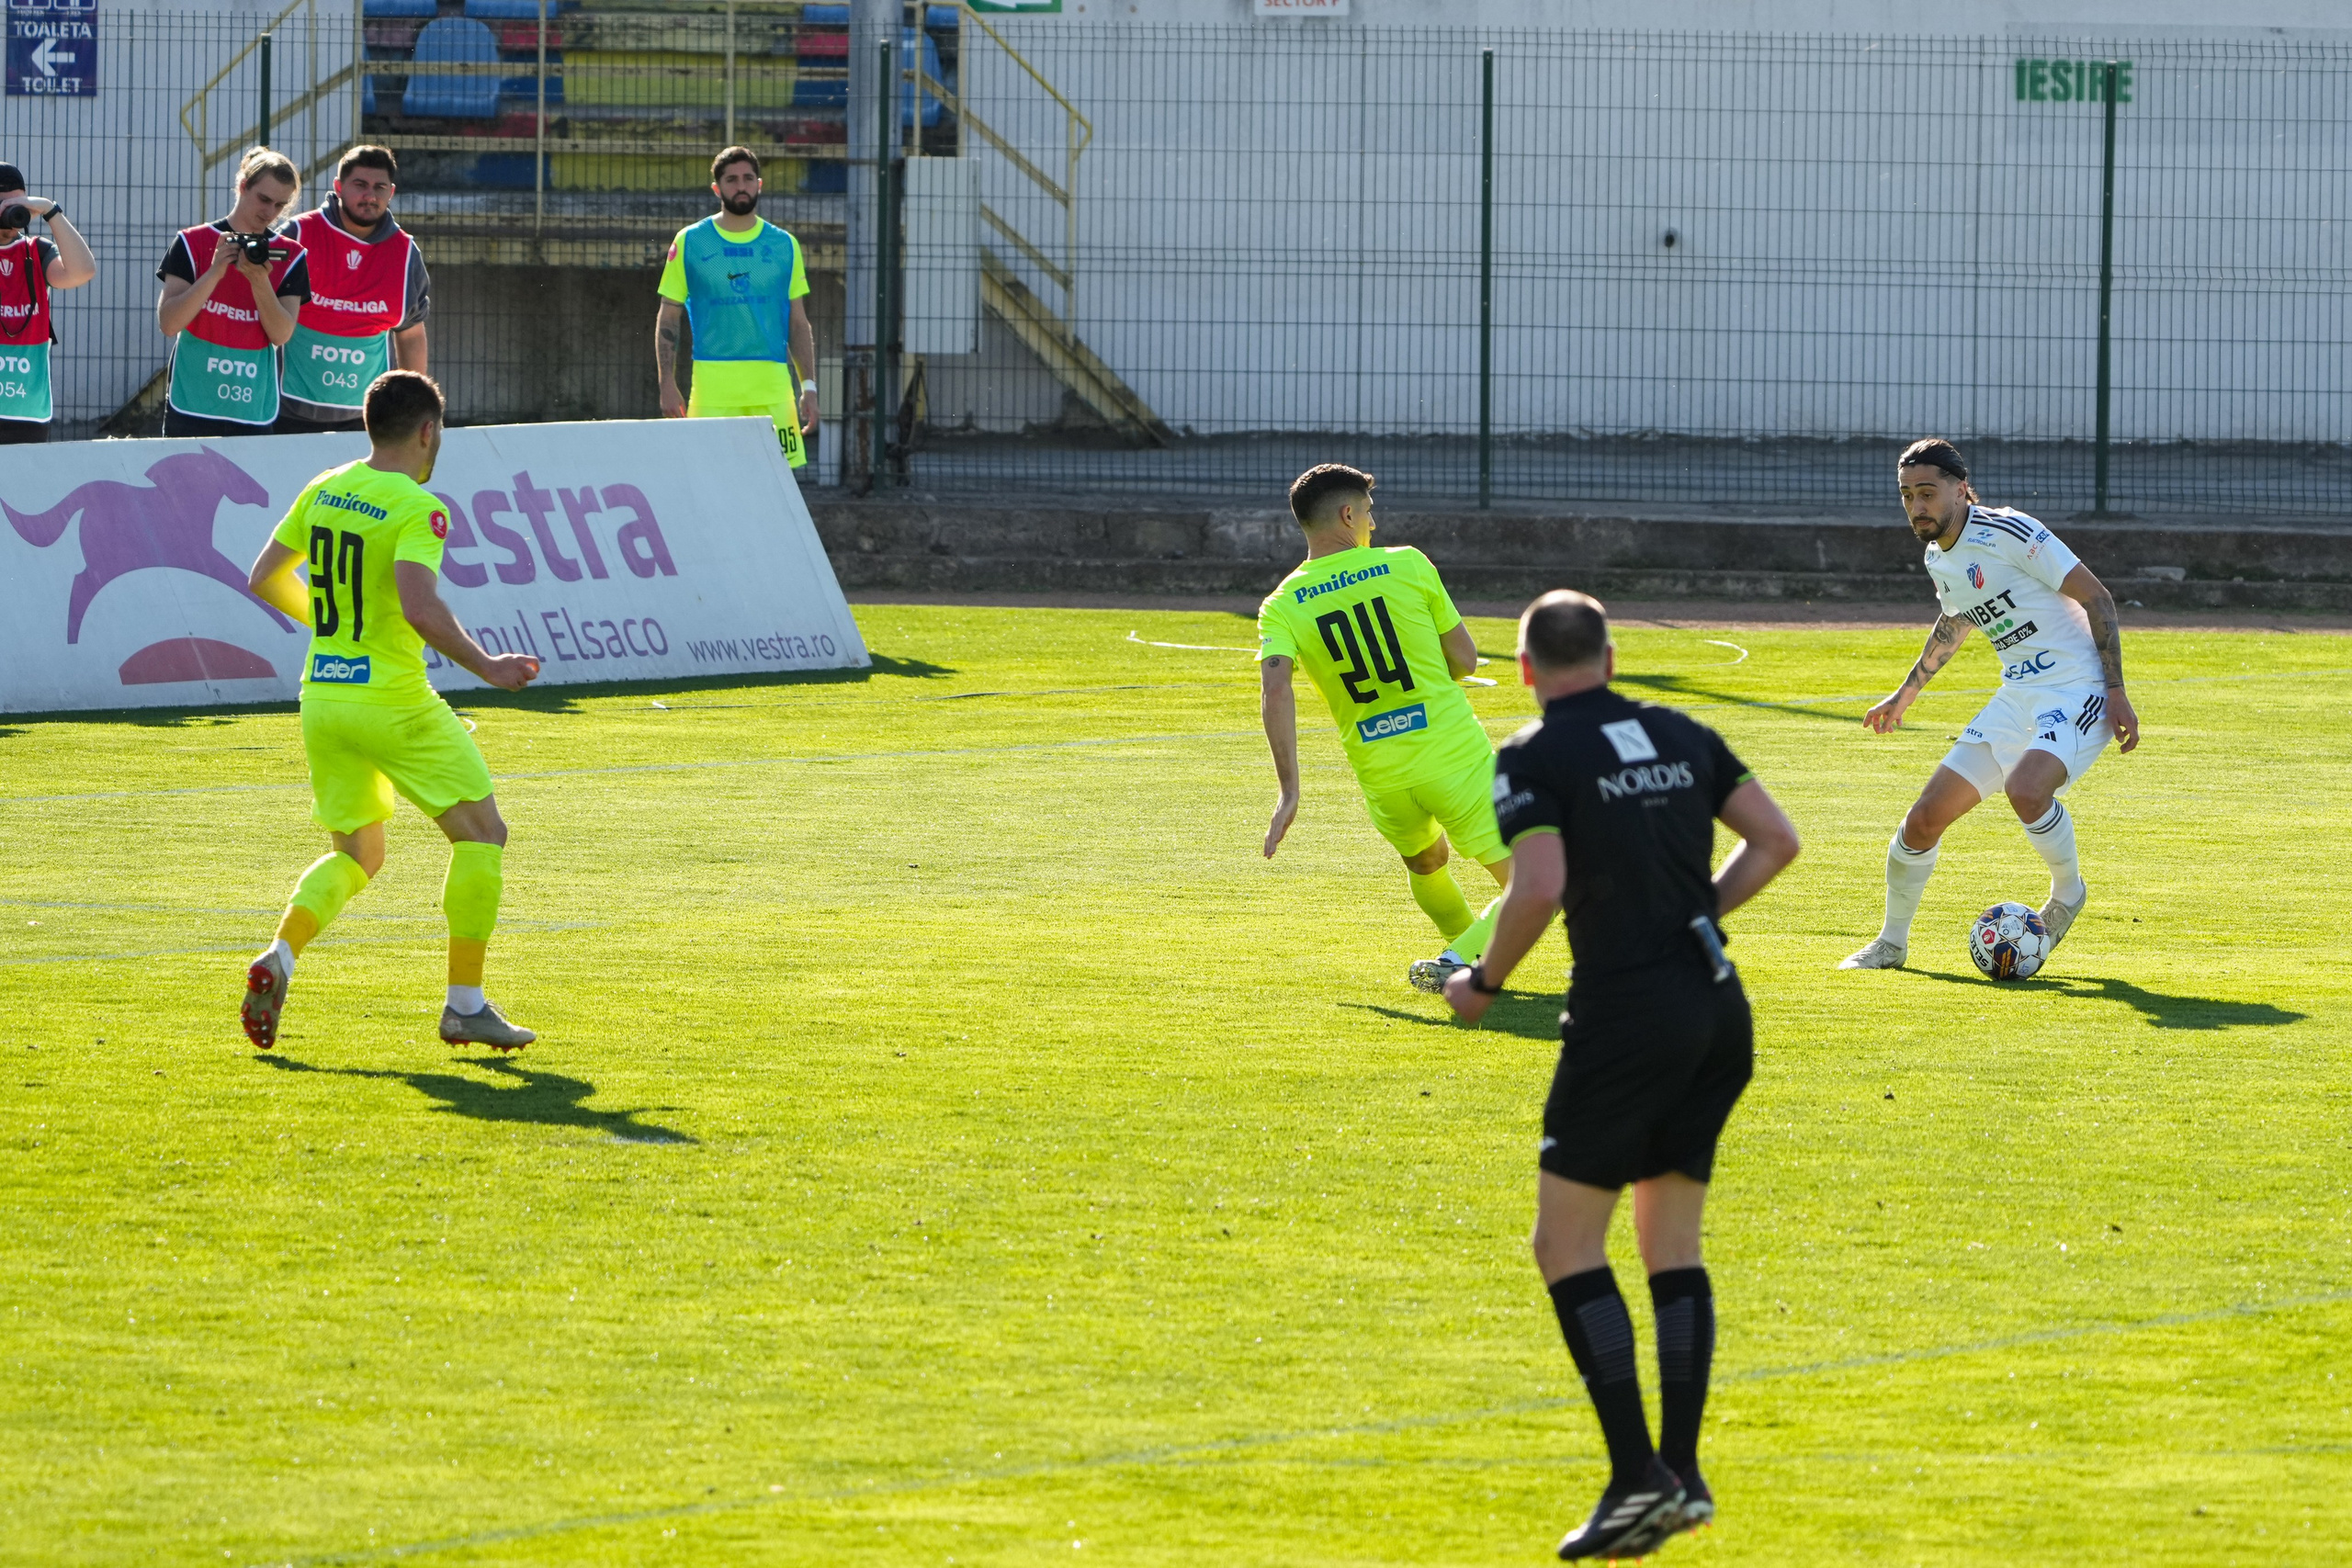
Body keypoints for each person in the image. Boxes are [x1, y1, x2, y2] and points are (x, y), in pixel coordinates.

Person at [1441, 590, 1799, 1561]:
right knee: (1669, 1243)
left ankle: (1638, 1478)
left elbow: (1540, 886)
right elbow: (1777, 840)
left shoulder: (1532, 754)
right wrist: (1700, 915)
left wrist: (1482, 982)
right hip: (1716, 1009)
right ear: (1608, 658)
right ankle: (1678, 1476)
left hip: (1626, 1016)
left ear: (1526, 670)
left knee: (1565, 1245)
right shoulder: (1682, 731)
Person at [240, 370, 542, 1054]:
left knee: (357, 853)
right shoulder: (417, 506)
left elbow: (263, 577)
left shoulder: (326, 487)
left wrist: (340, 631)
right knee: (482, 834)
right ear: (428, 431)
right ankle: (465, 1006)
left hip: (324, 697)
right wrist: (489, 666)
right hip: (394, 701)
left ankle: (280, 955)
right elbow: (419, 607)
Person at [1839, 437, 2140, 971]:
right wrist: (1906, 693)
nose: (1916, 506)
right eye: (1907, 495)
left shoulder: (2009, 531)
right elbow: (1957, 620)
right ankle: (1891, 943)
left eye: (1927, 493)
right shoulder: (1938, 557)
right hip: (2017, 694)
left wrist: (2115, 691)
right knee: (1922, 820)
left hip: (2078, 688)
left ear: (1960, 489)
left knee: (2026, 790)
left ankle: (2067, 893)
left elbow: (2097, 596)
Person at [1258, 463, 1513, 990]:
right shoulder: (1407, 564)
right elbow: (1466, 660)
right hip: (1453, 757)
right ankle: (1458, 960)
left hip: (1382, 774)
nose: (1373, 523)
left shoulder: (1280, 604)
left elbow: (1276, 691)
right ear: (1348, 515)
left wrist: (1289, 791)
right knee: (1538, 881)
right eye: (1369, 512)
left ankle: (1466, 951)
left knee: (1427, 861)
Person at [655, 145, 819, 469]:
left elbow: (798, 323)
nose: (741, 186)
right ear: (717, 189)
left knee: (775, 485)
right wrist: (666, 383)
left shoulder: (784, 245)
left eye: (748, 178)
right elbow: (669, 316)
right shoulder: (690, 241)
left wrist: (809, 388)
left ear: (760, 184)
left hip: (773, 390)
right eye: (731, 180)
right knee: (710, 483)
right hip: (713, 391)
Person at [275, 145, 431, 434]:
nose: (370, 195)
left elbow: (410, 335)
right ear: (339, 187)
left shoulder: (405, 253)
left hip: (368, 420)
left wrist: (413, 411)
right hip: (286, 413)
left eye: (379, 187)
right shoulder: (298, 235)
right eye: (360, 185)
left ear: (391, 193)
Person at [156, 147, 311, 437]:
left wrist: (260, 281)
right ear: (243, 185)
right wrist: (215, 272)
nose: (270, 212)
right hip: (192, 404)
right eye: (263, 199)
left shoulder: (291, 255)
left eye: (280, 205)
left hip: (251, 407)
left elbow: (281, 335)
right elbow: (169, 323)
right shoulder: (191, 242)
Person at [0, 162, 96, 444]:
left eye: (17, 205)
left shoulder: (35, 252)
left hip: (27, 412)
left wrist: (49, 210)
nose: (10, 214)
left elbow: (82, 271)